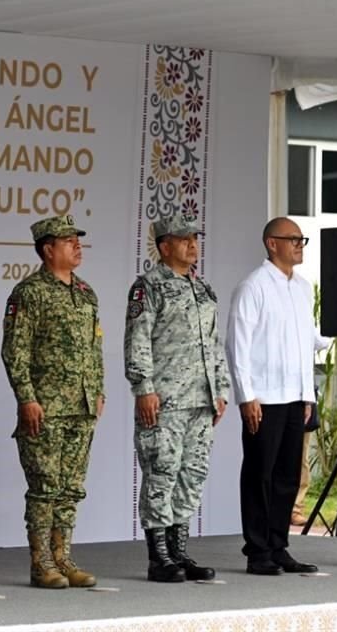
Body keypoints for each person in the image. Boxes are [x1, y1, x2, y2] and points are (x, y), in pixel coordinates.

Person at [124, 214, 229, 583]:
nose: (192, 245)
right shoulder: (148, 287)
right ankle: (159, 557)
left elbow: (214, 345)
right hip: (165, 399)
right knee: (161, 473)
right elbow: (138, 340)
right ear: (164, 246)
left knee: (192, 475)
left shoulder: (203, 289)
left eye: (195, 239)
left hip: (200, 401)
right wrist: (144, 388)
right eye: (184, 240)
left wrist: (221, 390)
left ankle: (180, 551)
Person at [2, 214, 105, 590]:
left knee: (71, 487)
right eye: (68, 241)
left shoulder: (86, 292)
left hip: (81, 406)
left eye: (77, 240)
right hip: (45, 408)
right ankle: (41, 562)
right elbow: (15, 351)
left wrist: (98, 391)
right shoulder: (28, 293)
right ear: (48, 249)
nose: (77, 246)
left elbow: (95, 348)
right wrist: (27, 399)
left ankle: (63, 557)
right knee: (44, 487)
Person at [226, 217, 326, 576]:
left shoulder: (301, 287)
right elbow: (238, 344)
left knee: (287, 476)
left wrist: (307, 395)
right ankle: (258, 550)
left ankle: (279, 544)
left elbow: (309, 341)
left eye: (302, 240)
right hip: (264, 397)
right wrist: (246, 395)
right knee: (259, 473)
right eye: (293, 239)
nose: (300, 245)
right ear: (272, 243)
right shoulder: (253, 286)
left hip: (294, 396)